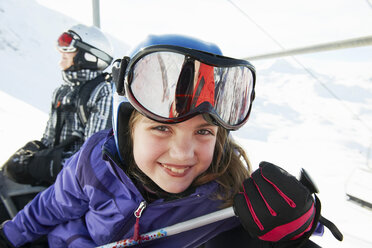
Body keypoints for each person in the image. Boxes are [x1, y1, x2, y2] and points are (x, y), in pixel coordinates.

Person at [0, 34, 342, 248]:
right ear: (127, 128)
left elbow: (263, 231)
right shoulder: (94, 163)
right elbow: (52, 207)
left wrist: (294, 233)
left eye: (203, 131)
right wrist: (11, 236)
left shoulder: (224, 195)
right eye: (161, 128)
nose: (182, 153)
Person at [2, 24, 114, 187]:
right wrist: (33, 156)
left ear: (87, 57)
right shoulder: (61, 91)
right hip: (55, 178)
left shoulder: (103, 91)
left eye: (65, 58)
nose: (61, 64)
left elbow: (93, 155)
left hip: (81, 184)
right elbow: (48, 139)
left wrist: (48, 165)